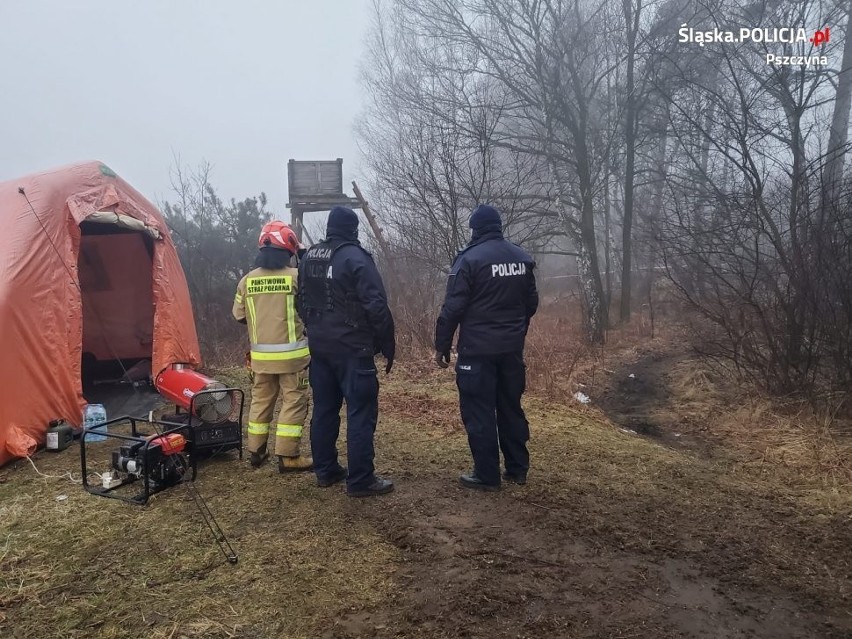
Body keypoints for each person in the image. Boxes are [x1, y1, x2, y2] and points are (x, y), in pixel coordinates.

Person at [434, 204, 539, 491]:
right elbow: (531, 304)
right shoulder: (521, 257)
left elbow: (452, 308)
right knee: (510, 407)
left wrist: (441, 346)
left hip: (477, 352)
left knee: (479, 411)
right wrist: (515, 328)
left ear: (475, 228)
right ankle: (517, 469)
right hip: (511, 351)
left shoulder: (469, 260)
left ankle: (486, 474)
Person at [298, 206, 396, 497]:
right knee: (361, 412)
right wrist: (387, 343)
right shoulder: (356, 258)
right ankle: (361, 480)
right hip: (353, 349)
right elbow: (376, 305)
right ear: (353, 229)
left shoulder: (309, 257)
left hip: (320, 348)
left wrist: (315, 328)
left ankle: (325, 471)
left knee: (325, 410)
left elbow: (301, 301)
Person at [233, 221, 313, 473]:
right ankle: (288, 457)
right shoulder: (298, 277)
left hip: (261, 360)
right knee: (293, 402)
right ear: (288, 250)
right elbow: (312, 310)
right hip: (294, 359)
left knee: (261, 402)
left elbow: (238, 315)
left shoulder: (247, 281)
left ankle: (256, 452)